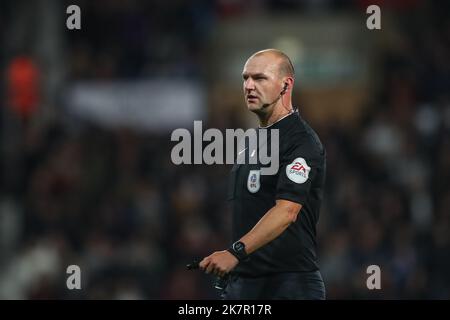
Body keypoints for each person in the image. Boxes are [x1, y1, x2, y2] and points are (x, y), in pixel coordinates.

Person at [199, 49, 327, 300]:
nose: (248, 86)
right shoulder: (253, 142)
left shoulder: (301, 141)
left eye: (259, 78)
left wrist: (235, 252)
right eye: (245, 78)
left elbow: (287, 211)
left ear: (285, 85)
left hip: (288, 285)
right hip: (246, 284)